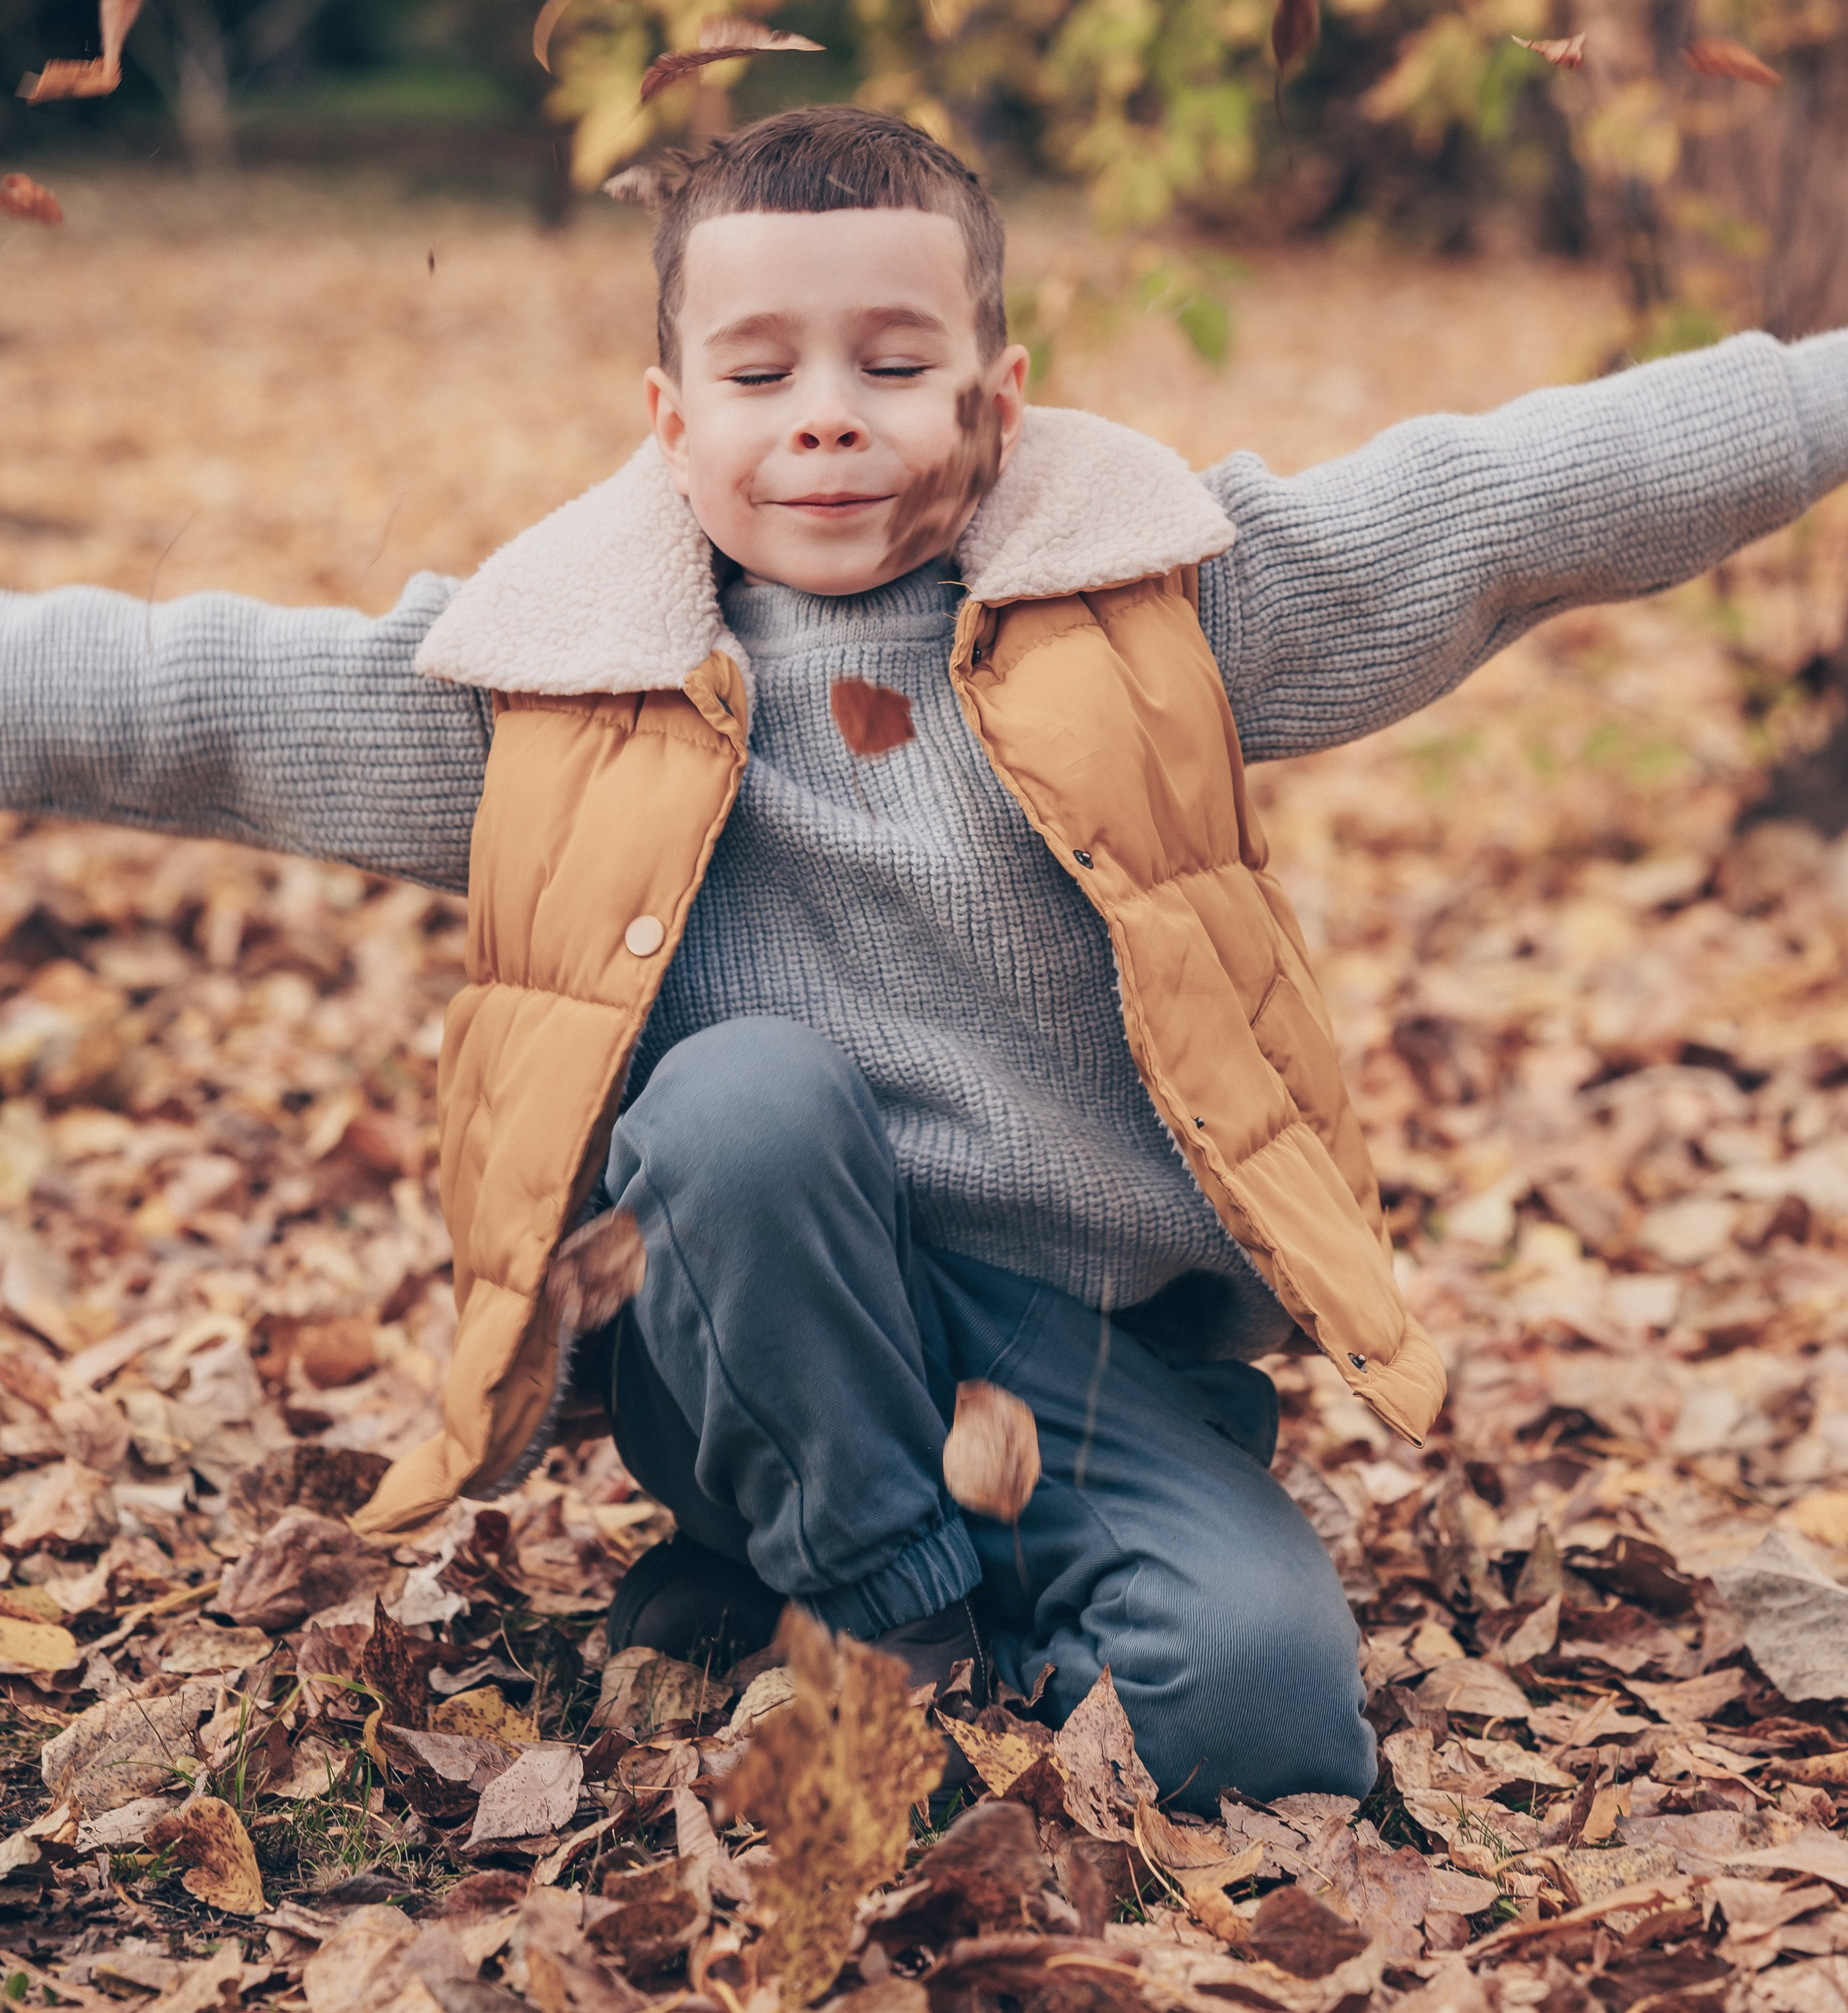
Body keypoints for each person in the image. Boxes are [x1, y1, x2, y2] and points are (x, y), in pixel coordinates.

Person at [4, 104, 1844, 1812]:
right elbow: (189, 700)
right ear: (668, 417)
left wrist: (1815, 398)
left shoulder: (1151, 620)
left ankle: (821, 1600)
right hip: (745, 1332)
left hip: (1087, 1367)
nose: (825, 416)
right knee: (737, 1103)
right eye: (759, 373)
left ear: (996, 397)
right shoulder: (550, 691)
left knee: (1263, 1712)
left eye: (891, 365)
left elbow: (1502, 499)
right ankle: (883, 1606)